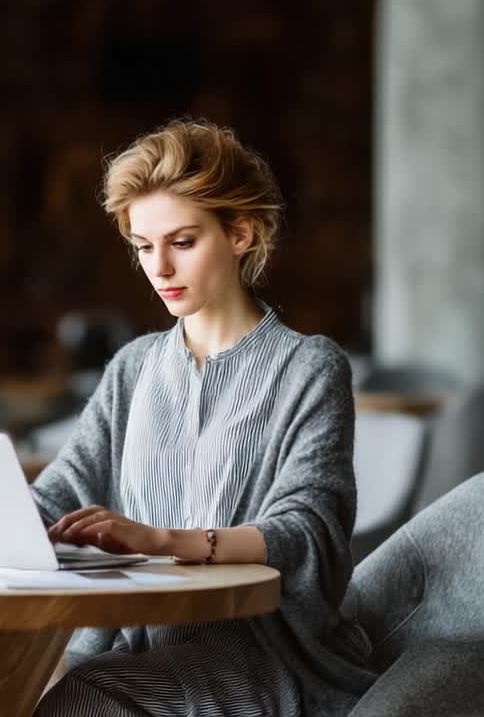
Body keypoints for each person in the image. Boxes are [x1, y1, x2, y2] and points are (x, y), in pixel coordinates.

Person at [31, 119, 376, 716]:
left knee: (80, 701)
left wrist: (161, 542)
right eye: (143, 247)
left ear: (240, 233)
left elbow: (307, 532)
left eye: (182, 242)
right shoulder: (134, 367)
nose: (158, 268)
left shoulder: (309, 367)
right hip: (131, 648)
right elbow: (62, 491)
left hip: (260, 657)